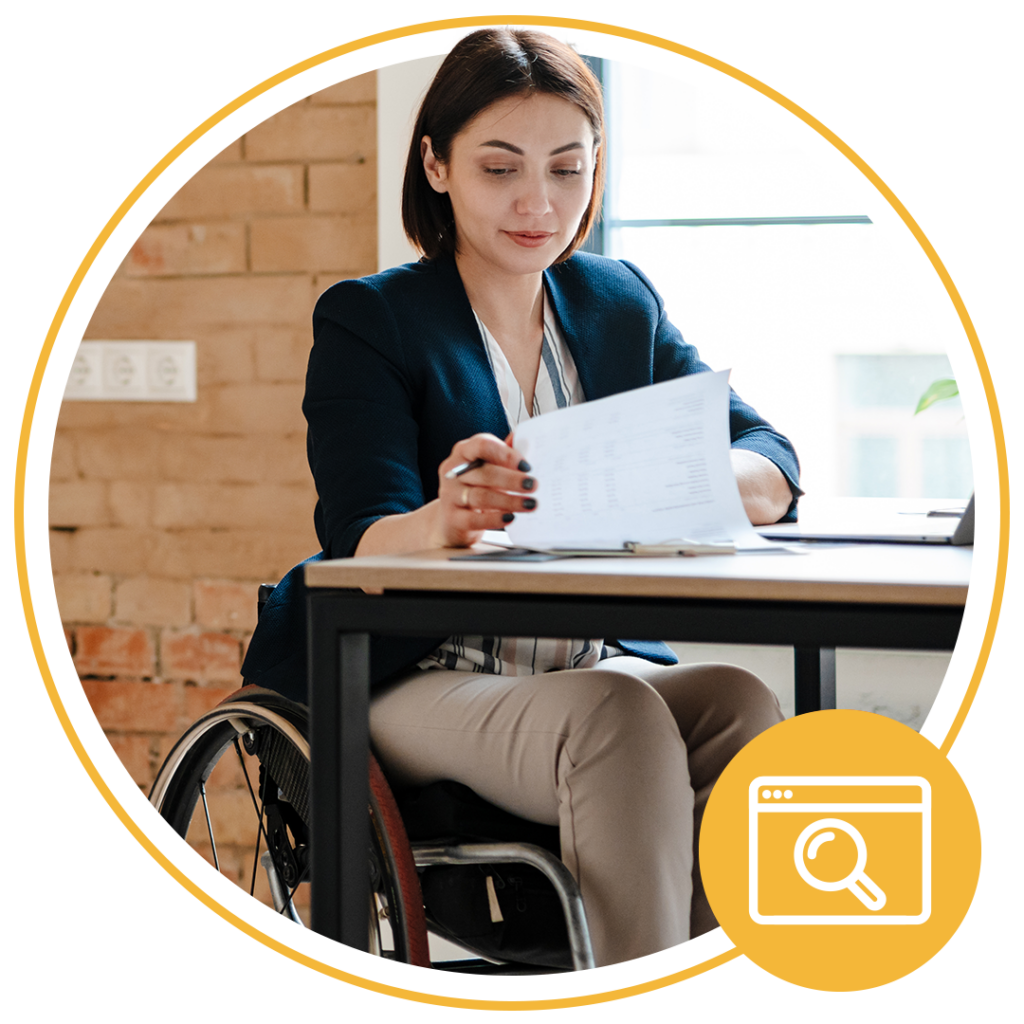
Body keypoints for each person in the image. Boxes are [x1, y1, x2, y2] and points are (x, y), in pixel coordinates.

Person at [244, 26, 801, 967]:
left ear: (596, 169)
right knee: (614, 718)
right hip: (406, 674)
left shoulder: (617, 302)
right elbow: (358, 535)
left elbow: (769, 457)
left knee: (743, 703)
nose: (539, 203)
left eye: (567, 168)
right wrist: (442, 519)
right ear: (436, 164)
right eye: (500, 169)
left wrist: (700, 485)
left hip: (574, 660)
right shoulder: (371, 318)